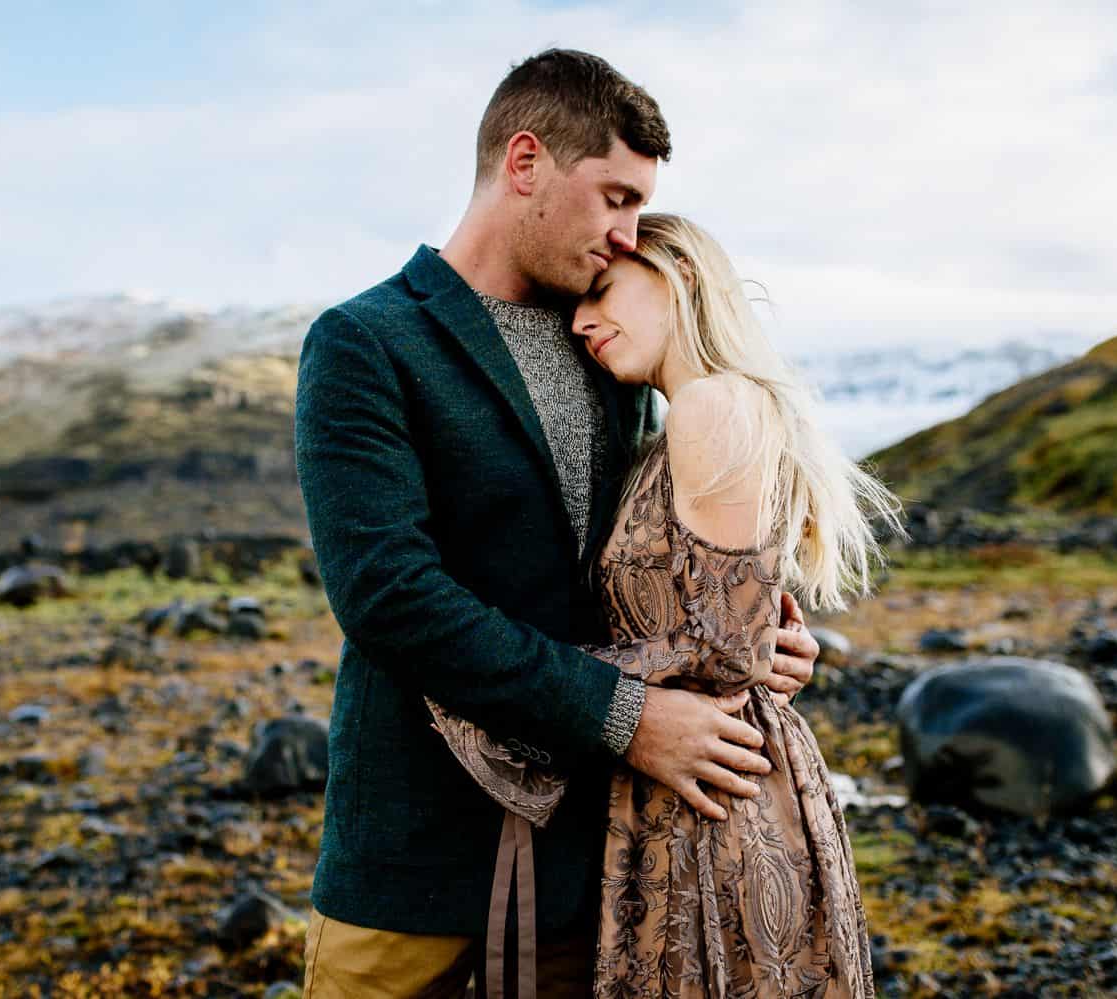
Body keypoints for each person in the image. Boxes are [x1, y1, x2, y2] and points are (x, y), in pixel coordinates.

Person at [294, 49, 821, 997]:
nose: (627, 234)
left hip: (596, 869)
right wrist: (628, 717)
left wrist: (751, 634)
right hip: (415, 867)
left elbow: (652, 553)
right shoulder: (366, 342)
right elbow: (388, 596)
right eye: (615, 196)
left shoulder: (610, 346)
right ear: (525, 162)